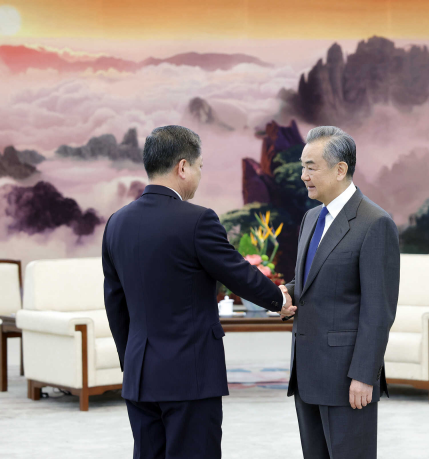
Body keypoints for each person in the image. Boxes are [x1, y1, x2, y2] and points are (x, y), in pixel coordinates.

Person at [102, 125, 296, 459]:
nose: (200, 175)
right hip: (189, 378)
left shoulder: (116, 223)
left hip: (139, 376)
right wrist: (279, 299)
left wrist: (132, 360)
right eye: (200, 167)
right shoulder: (197, 221)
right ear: (182, 167)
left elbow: (114, 303)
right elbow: (237, 273)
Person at [281, 126, 400, 459]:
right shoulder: (310, 218)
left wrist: (364, 376)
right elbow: (310, 281)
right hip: (306, 374)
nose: (303, 175)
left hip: (347, 380)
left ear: (340, 169)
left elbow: (379, 311)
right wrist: (286, 293)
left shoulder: (375, 223)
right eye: (302, 167)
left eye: (311, 167)